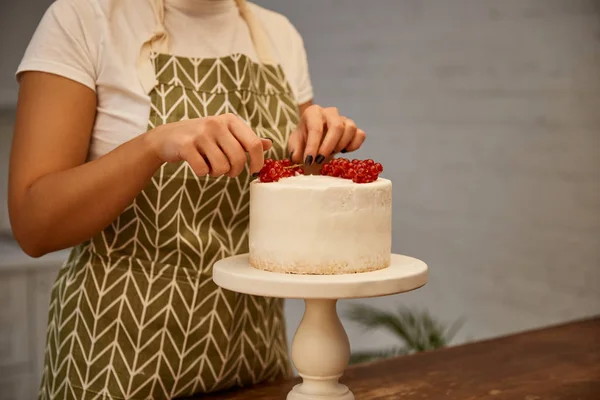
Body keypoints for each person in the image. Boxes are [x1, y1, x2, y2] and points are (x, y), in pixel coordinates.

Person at [8, 0, 367, 398]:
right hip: (117, 358)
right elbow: (33, 225)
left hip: (254, 354)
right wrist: (153, 146)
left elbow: (287, 197)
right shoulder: (84, 18)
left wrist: (319, 148)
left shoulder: (277, 34)